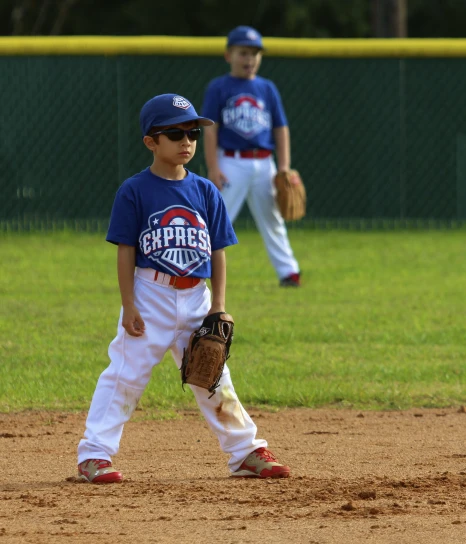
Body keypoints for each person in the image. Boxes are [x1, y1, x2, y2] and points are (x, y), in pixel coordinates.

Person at [76, 93, 291, 484]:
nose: (187, 141)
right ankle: (94, 455)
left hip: (197, 297)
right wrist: (129, 305)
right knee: (126, 375)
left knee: (213, 375)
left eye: (192, 132)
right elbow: (125, 252)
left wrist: (218, 306)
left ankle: (245, 452)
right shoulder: (135, 190)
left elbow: (219, 252)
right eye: (174, 133)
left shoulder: (207, 191)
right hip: (150, 294)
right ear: (151, 142)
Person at [201, 25, 302, 288]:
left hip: (264, 163)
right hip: (230, 161)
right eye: (243, 53)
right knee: (217, 218)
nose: (250, 59)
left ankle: (289, 272)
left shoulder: (267, 88)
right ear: (228, 56)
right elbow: (210, 129)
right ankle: (197, 268)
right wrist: (213, 167)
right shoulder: (219, 87)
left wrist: (284, 167)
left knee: (274, 219)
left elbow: (281, 128)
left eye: (255, 54)